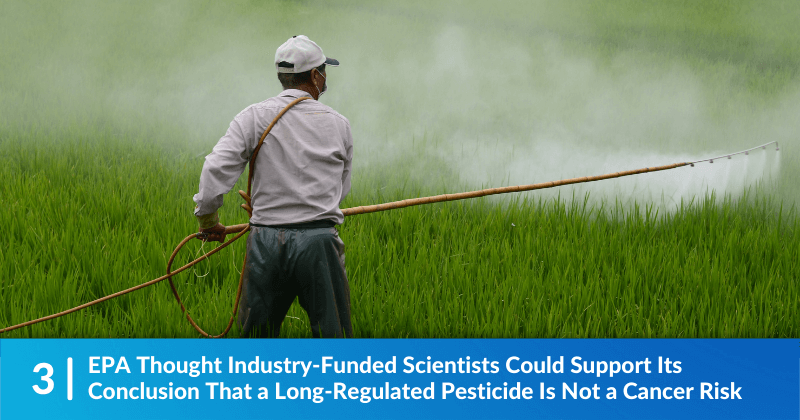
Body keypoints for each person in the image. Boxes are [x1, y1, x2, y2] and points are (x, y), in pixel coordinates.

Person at [192, 35, 353, 338]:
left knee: (257, 341)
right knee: (333, 338)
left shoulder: (253, 116)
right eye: (324, 71)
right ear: (315, 76)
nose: (326, 78)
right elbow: (340, 191)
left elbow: (215, 169)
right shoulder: (338, 124)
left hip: (265, 241)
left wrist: (209, 221)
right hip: (319, 243)